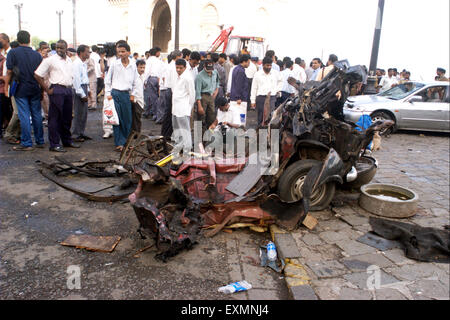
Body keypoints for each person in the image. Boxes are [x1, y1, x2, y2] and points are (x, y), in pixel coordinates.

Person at [35, 39, 79, 152]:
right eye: (57, 48)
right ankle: (54, 144)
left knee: (67, 117)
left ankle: (67, 141)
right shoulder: (50, 60)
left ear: (66, 48)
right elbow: (37, 75)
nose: (59, 50)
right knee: (55, 118)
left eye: (61, 48)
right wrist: (47, 90)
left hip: (68, 89)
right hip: (57, 89)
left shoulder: (69, 60)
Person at [4, 31, 44, 151]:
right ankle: (40, 140)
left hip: (20, 88)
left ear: (18, 39)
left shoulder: (13, 53)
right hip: (35, 87)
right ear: (29, 39)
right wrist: (42, 90)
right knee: (36, 115)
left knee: (24, 115)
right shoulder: (37, 55)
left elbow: (9, 72)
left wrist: (6, 88)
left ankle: (27, 143)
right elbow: (41, 74)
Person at [104, 42, 138, 152]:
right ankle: (119, 143)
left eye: (123, 51)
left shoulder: (133, 65)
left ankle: (125, 141)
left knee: (127, 119)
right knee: (116, 119)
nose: (121, 54)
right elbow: (108, 79)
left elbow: (136, 81)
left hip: (126, 95)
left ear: (129, 52)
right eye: (119, 52)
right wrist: (108, 94)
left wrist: (133, 94)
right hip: (115, 94)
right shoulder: (114, 64)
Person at [172, 58, 195, 164]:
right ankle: (177, 154)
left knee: (186, 134)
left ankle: (186, 155)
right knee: (177, 133)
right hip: (175, 109)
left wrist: (188, 109)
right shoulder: (177, 77)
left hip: (183, 109)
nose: (178, 70)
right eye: (177, 67)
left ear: (185, 68)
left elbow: (192, 96)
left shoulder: (187, 78)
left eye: (180, 68)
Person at [251, 57, 282, 126]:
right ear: (263, 65)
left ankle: (269, 134)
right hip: (261, 98)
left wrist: (277, 90)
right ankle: (261, 134)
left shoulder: (275, 73)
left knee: (271, 117)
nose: (269, 67)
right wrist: (253, 101)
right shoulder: (257, 74)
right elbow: (254, 88)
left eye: (270, 65)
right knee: (261, 117)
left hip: (271, 98)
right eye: (267, 65)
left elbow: (281, 81)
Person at [72, 45, 91, 143]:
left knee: (84, 113)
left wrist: (88, 91)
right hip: (79, 89)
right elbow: (76, 80)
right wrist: (82, 94)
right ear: (81, 53)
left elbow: (84, 78)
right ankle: (75, 134)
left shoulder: (83, 63)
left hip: (84, 87)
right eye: (87, 52)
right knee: (79, 112)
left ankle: (81, 132)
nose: (88, 53)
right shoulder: (77, 63)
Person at [195, 60, 220, 134]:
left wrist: (216, 89)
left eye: (211, 69)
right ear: (204, 67)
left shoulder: (215, 72)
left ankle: (210, 136)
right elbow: (198, 92)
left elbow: (218, 81)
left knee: (212, 117)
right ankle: (199, 139)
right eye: (208, 70)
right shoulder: (199, 76)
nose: (210, 71)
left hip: (211, 96)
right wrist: (199, 105)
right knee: (201, 119)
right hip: (203, 97)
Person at [161, 50, 182, 139]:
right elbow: (174, 81)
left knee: (168, 113)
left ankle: (166, 133)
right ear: (178, 57)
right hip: (172, 91)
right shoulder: (174, 67)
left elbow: (163, 78)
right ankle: (166, 134)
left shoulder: (169, 65)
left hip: (168, 90)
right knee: (170, 113)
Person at [229, 54, 250, 126]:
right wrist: (238, 97)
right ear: (244, 61)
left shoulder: (236, 69)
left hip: (235, 98)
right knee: (241, 118)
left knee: (235, 118)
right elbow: (239, 85)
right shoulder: (241, 71)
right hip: (240, 100)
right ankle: (241, 132)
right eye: (248, 62)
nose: (248, 64)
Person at [143, 47, 163, 120]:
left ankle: (154, 114)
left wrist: (144, 81)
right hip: (159, 79)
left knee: (152, 97)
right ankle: (157, 114)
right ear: (157, 52)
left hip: (151, 79)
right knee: (158, 97)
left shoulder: (148, 61)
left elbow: (147, 71)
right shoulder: (159, 61)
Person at [131, 59, 146, 133]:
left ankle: (137, 136)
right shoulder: (133, 76)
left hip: (140, 101)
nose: (142, 69)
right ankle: (136, 136)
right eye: (140, 67)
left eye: (143, 67)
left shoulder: (142, 76)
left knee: (138, 119)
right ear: (136, 67)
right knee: (135, 121)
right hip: (135, 101)